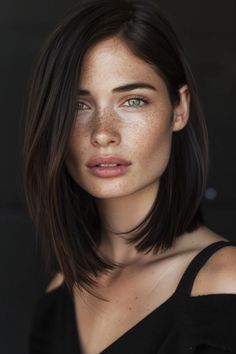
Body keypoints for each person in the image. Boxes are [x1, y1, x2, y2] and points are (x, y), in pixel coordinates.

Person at [23, 0, 236, 353]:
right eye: (79, 105)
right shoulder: (59, 295)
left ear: (179, 109)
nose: (102, 133)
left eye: (133, 101)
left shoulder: (226, 284)